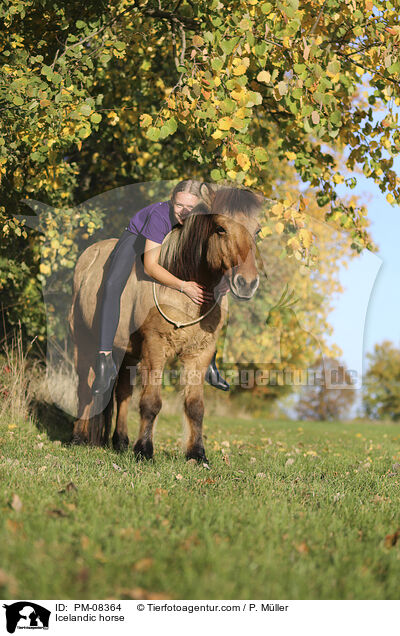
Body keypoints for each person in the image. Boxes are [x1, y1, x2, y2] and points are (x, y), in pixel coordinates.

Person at [92, 180, 230, 395]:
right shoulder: (159, 216)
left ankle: (210, 361)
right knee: (111, 284)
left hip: (174, 243)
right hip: (137, 238)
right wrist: (184, 286)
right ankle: (104, 359)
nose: (184, 213)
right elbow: (150, 267)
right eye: (179, 206)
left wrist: (223, 281)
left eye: (190, 208)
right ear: (172, 200)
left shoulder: (203, 219)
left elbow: (211, 257)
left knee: (213, 287)